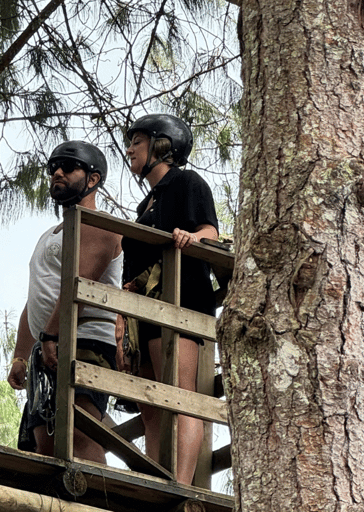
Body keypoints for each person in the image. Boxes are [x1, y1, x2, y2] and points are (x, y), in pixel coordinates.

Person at [7, 141, 123, 463]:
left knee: (80, 434)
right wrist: (21, 355)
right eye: (53, 167)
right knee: (46, 441)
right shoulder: (49, 234)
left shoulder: (102, 226)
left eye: (68, 167)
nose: (57, 172)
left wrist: (51, 336)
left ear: (93, 179)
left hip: (85, 342)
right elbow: (36, 300)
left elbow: (77, 287)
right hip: (49, 344)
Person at [121, 113, 219, 484]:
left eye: (138, 142)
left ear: (163, 144)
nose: (129, 149)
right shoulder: (147, 203)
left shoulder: (186, 182)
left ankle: (177, 484)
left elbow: (209, 229)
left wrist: (191, 238)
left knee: (178, 395)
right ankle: (157, 478)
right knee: (151, 402)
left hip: (180, 299)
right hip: (146, 305)